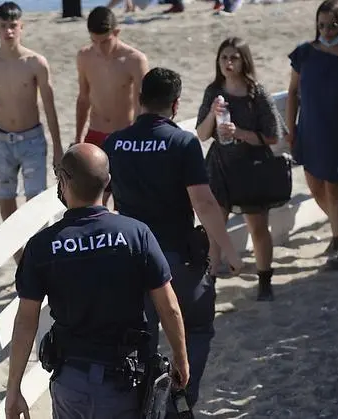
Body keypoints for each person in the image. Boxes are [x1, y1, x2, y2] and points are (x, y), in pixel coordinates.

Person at [5, 143, 190, 419]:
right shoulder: (136, 234)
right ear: (108, 183)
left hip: (71, 380)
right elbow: (169, 306)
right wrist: (181, 357)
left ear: (64, 182)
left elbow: (25, 321)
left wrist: (13, 388)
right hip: (122, 382)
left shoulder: (42, 246)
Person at [104, 67, 243, 412]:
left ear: (140, 100)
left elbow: (98, 200)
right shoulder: (182, 142)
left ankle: (143, 406)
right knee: (196, 327)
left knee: (141, 339)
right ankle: (180, 402)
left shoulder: (114, 142)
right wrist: (227, 249)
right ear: (176, 104)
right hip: (176, 256)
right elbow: (203, 201)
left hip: (130, 257)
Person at [0, 1, 63, 263]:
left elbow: (49, 107)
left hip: (32, 140)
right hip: (1, 142)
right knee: (6, 203)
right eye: (3, 27)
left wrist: (57, 148)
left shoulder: (35, 63)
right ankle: (22, 262)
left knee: (35, 205)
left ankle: (41, 259)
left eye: (13, 26)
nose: (9, 32)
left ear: (22, 27)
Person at [196, 37, 285, 301]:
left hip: (252, 166)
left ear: (244, 60)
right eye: (224, 57)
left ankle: (264, 279)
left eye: (234, 57)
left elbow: (272, 136)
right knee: (214, 228)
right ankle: (208, 284)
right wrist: (213, 113)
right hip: (220, 165)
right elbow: (201, 134)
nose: (228, 63)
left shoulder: (256, 93)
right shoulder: (214, 91)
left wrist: (240, 133)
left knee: (258, 227)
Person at [286, 0, 338, 270]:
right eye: (321, 25)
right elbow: (292, 93)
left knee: (335, 189)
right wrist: (291, 127)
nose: (327, 31)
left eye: (332, 25)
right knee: (314, 185)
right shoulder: (304, 53)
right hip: (310, 127)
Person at [75, 6, 149, 205]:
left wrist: (137, 141)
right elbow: (83, 98)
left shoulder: (134, 60)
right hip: (95, 133)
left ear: (116, 32)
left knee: (123, 200)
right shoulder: (84, 56)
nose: (100, 47)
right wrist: (78, 136)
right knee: (91, 200)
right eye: (94, 41)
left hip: (123, 135)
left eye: (105, 41)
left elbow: (141, 105)